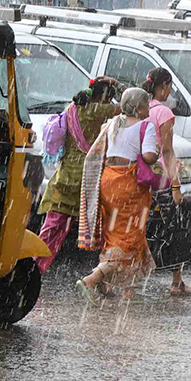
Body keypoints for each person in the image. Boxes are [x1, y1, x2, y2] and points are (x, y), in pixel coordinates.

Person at [76, 88, 162, 303]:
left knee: (115, 233)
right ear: (140, 108)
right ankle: (93, 279)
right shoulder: (145, 126)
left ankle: (120, 289)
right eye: (147, 105)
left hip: (107, 182)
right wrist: (158, 153)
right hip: (129, 185)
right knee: (129, 239)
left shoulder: (112, 123)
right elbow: (149, 156)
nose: (149, 109)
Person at [37, 76, 120, 272]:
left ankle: (34, 266)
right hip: (87, 181)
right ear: (105, 98)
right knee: (106, 228)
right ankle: (102, 274)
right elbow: (129, 103)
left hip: (64, 178)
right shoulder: (99, 110)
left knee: (51, 231)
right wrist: (118, 84)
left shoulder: (72, 108)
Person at [143, 67, 191, 297]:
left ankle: (120, 277)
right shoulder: (164, 113)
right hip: (161, 180)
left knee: (138, 228)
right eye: (169, 86)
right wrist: (176, 185)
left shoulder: (141, 108)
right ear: (164, 86)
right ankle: (177, 281)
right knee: (174, 228)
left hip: (140, 176)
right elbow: (167, 151)